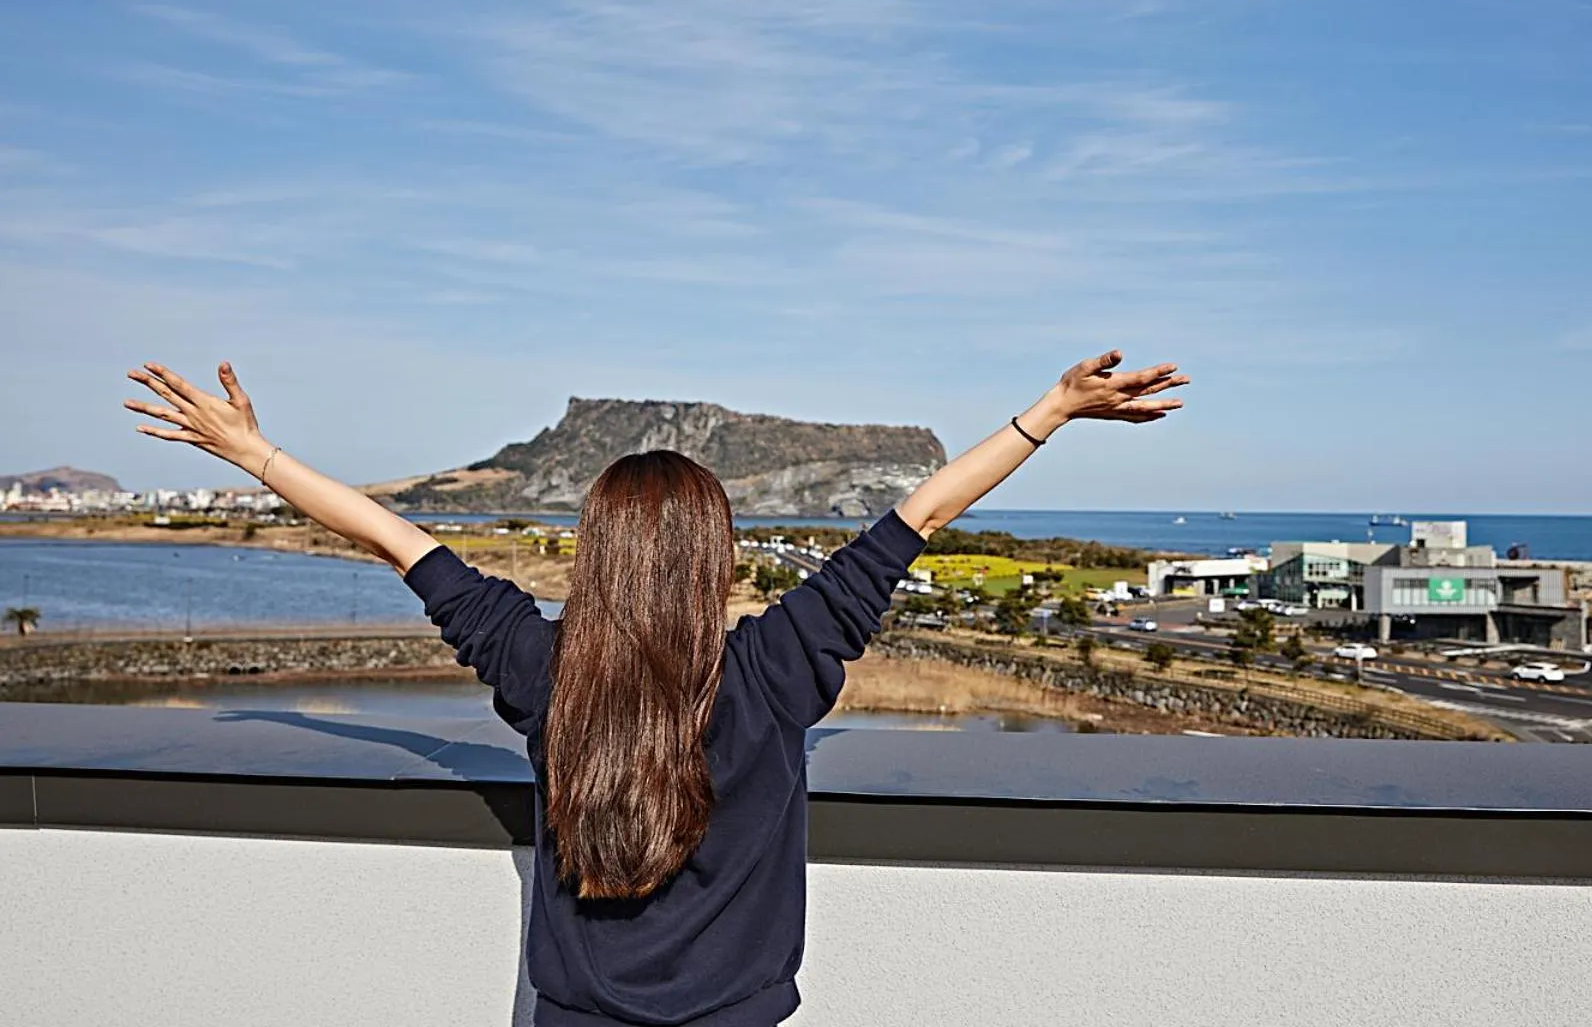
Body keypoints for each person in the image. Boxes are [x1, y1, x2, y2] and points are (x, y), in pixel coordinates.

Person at [123, 350, 1187, 1026]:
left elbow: (400, 541)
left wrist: (258, 455)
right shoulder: (775, 669)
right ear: (715, 560)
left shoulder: (541, 669)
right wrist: (1049, 409)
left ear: (596, 556)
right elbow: (917, 521)